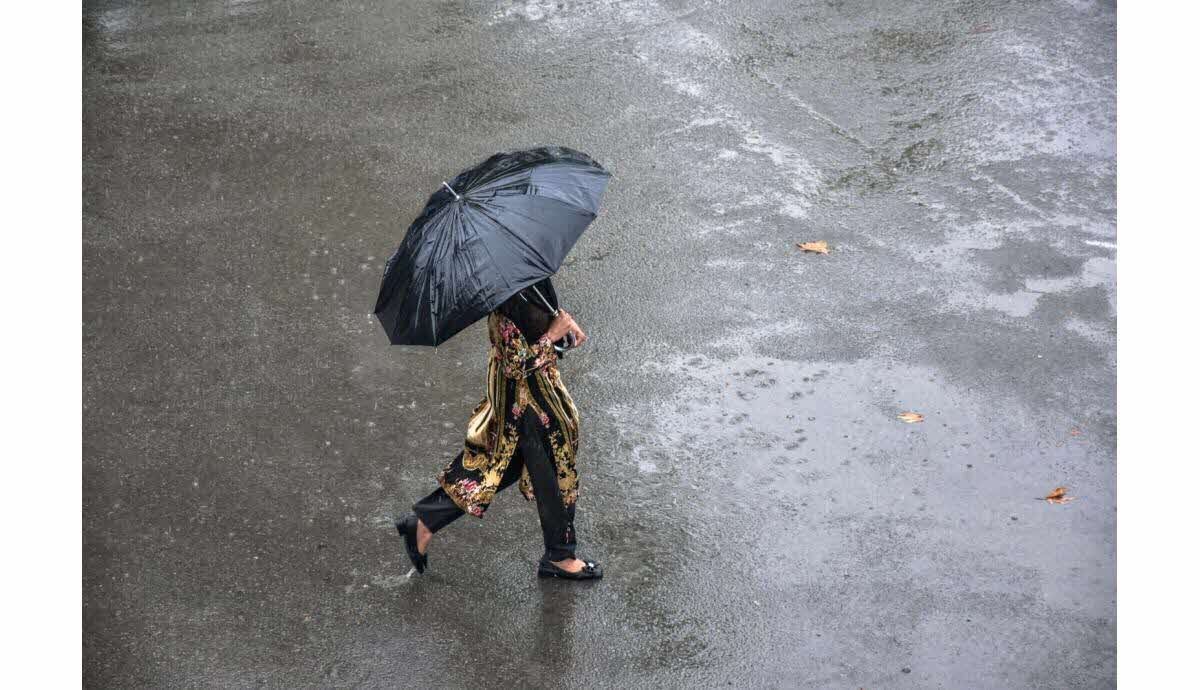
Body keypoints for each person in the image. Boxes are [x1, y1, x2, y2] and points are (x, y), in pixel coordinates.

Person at [394, 277, 602, 580]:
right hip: (530, 402)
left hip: (531, 395)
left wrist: (562, 325)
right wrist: (552, 336)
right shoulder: (505, 294)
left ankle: (425, 520)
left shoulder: (525, 275)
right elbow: (515, 366)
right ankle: (560, 556)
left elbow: (539, 316)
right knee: (553, 471)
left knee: (502, 465)